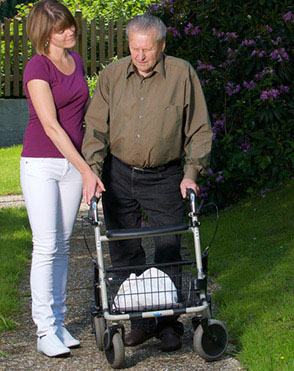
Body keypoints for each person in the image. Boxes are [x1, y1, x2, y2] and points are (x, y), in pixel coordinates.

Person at [81, 14, 213, 352]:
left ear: (162, 46)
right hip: (119, 173)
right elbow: (96, 127)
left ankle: (169, 325)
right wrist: (92, 171)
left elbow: (199, 129)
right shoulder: (112, 75)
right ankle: (139, 323)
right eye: (134, 48)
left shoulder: (182, 74)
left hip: (165, 174)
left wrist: (190, 173)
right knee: (125, 250)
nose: (140, 56)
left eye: (147, 49)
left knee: (169, 246)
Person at [21, 0, 104, 357]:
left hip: (73, 164)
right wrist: (87, 169)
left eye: (70, 25)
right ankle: (43, 331)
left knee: (65, 244)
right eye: (61, 29)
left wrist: (90, 159)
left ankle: (58, 322)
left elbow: (81, 114)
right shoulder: (36, 68)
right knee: (46, 245)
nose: (70, 31)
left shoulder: (76, 61)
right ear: (45, 34)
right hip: (41, 163)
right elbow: (53, 128)